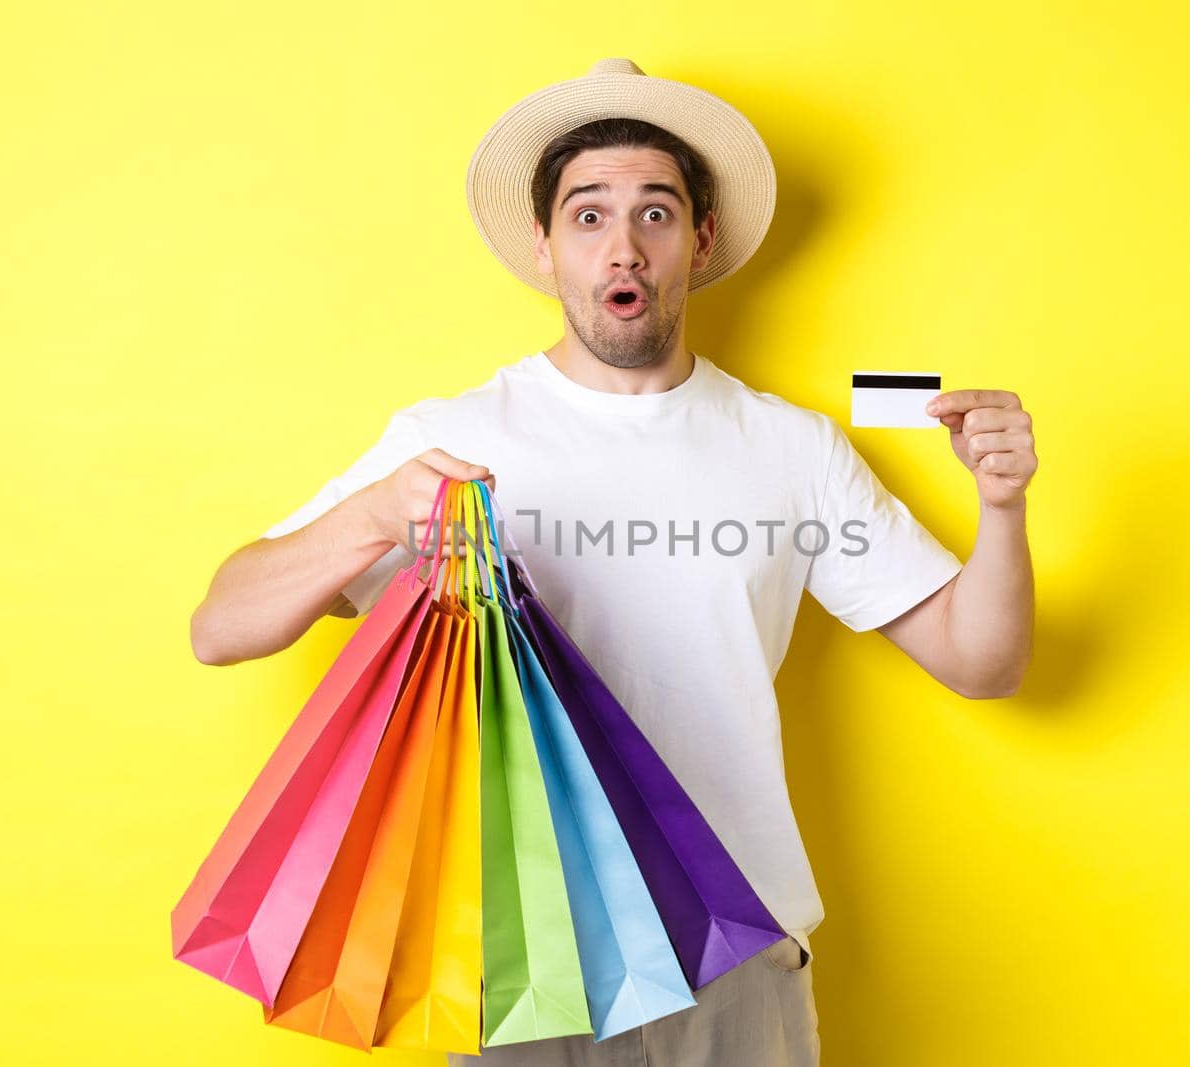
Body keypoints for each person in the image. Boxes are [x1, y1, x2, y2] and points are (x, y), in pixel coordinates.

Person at [190, 57, 1037, 1067]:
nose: (621, 245)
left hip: (735, 963)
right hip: (521, 963)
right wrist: (370, 516)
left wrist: (1002, 507)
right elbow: (220, 625)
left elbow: (980, 662)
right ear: (545, 246)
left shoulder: (791, 448)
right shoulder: (448, 434)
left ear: (700, 240)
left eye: (656, 212)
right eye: (587, 216)